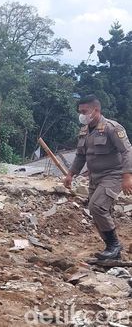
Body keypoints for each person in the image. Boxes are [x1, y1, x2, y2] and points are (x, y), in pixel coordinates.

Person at [63, 95, 132, 260]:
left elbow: (127, 151)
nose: (81, 114)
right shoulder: (84, 131)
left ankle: (115, 246)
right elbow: (80, 156)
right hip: (95, 177)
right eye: (79, 111)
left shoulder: (112, 128)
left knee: (97, 207)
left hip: (113, 175)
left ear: (96, 110)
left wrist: (127, 176)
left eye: (84, 111)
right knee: (97, 212)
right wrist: (70, 174)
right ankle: (111, 249)